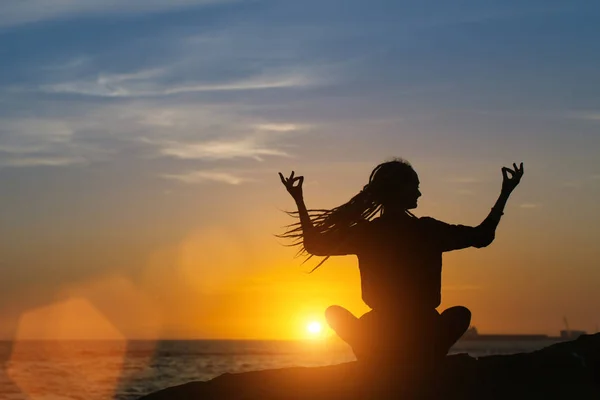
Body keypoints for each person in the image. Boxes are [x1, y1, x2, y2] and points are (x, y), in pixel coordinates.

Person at [278, 158, 524, 371]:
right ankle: (425, 360)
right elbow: (482, 237)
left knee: (334, 313)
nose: (419, 193)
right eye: (415, 187)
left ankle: (374, 359)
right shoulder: (427, 230)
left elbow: (315, 245)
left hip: (379, 332)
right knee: (460, 314)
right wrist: (505, 193)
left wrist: (299, 201)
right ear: (399, 190)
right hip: (422, 331)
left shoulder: (369, 233)